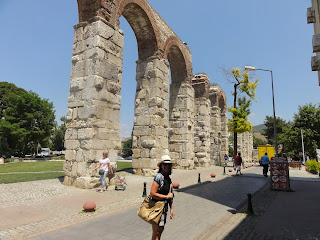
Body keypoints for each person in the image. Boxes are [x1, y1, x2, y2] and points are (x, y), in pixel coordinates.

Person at [150, 155, 174, 240]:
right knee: (156, 233)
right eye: (165, 164)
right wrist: (166, 196)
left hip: (164, 208)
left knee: (160, 231)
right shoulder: (158, 177)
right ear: (161, 166)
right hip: (156, 208)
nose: (167, 166)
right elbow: (152, 193)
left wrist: (171, 209)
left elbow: (171, 195)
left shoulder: (168, 178)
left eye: (168, 165)